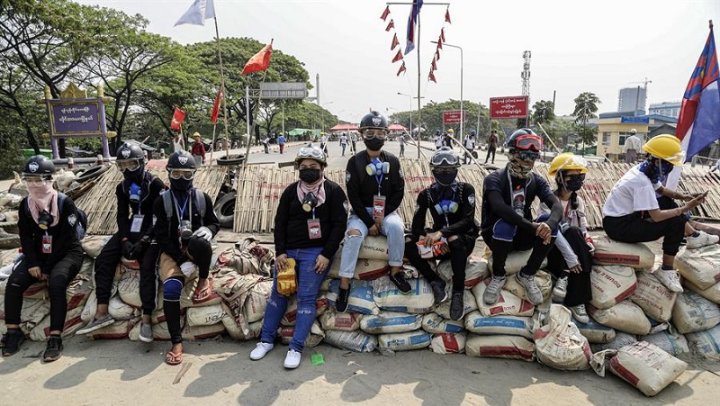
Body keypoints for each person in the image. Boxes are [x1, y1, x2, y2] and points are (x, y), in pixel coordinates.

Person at [250, 147, 348, 369]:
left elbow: (339, 225)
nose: (308, 171)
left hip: (316, 254)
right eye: (304, 167)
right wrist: (280, 252)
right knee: (278, 294)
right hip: (289, 254)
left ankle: (296, 347)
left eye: (314, 167)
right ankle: (265, 341)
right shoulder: (290, 191)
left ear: (323, 168)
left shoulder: (333, 192)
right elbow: (280, 222)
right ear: (297, 169)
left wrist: (326, 254)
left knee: (305, 298)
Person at [603, 134, 717, 292]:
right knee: (675, 221)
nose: (671, 167)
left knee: (667, 202)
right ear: (658, 161)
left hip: (621, 218)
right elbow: (656, 216)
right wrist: (685, 208)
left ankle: (693, 237)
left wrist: (684, 196)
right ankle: (667, 269)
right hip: (619, 227)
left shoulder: (645, 169)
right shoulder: (640, 182)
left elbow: (662, 190)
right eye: (669, 163)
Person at [76, 143, 165, 340]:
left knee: (148, 266)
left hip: (153, 229)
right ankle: (101, 311)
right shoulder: (122, 187)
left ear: (142, 163)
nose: (127, 170)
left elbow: (161, 216)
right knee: (104, 258)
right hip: (133, 226)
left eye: (132, 164)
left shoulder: (155, 184)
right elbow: (122, 216)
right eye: (122, 165)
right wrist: (124, 239)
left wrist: (144, 240)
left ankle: (147, 318)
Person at [1, 156, 84, 361]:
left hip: (67, 253)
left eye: (39, 180)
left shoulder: (65, 204)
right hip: (39, 254)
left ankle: (55, 337)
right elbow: (25, 238)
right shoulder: (26, 206)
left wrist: (46, 268)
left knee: (56, 282)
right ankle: (13, 331)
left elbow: (67, 240)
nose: (34, 185)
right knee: (14, 282)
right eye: (30, 180)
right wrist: (33, 263)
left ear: (49, 180)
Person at [480, 128, 563, 305]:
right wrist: (531, 226)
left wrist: (548, 225)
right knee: (506, 223)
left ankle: (527, 274)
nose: (528, 161)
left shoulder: (536, 180)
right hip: (496, 234)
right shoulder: (494, 179)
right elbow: (500, 208)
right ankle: (498, 275)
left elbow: (556, 205)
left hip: (523, 234)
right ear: (513, 153)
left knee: (551, 223)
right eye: (524, 156)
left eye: (532, 157)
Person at [336, 111, 408, 311]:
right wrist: (369, 222)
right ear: (361, 134)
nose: (375, 137)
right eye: (370, 132)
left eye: (380, 132)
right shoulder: (355, 162)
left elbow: (399, 192)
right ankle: (344, 282)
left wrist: (382, 217)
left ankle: (395, 271)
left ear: (386, 134)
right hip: (361, 214)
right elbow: (354, 196)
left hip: (387, 212)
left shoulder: (393, 161)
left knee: (396, 228)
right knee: (353, 236)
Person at [154, 150, 220, 365]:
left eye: (186, 174)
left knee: (201, 242)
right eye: (176, 174)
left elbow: (214, 222)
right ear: (168, 174)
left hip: (194, 248)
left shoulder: (202, 198)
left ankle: (203, 278)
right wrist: (180, 260)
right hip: (172, 251)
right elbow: (161, 237)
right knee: (172, 289)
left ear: (194, 174)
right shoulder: (162, 201)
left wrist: (210, 230)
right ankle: (176, 341)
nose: (181, 179)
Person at [404, 148, 479, 320]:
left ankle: (458, 293)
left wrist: (442, 234)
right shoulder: (426, 195)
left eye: (449, 169)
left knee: (454, 239)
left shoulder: (466, 190)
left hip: (463, 240)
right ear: (433, 170)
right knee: (407, 242)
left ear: (457, 169)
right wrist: (427, 239)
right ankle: (434, 281)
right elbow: (416, 226)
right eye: (440, 170)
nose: (445, 173)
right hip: (439, 244)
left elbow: (468, 221)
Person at [541, 153, 593, 323]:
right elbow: (552, 232)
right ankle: (577, 300)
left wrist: (588, 241)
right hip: (554, 250)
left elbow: (584, 228)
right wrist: (570, 258)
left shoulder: (579, 203)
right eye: (572, 176)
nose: (577, 180)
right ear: (560, 178)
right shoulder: (547, 201)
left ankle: (565, 278)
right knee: (570, 232)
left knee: (577, 235)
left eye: (580, 176)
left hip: (574, 254)